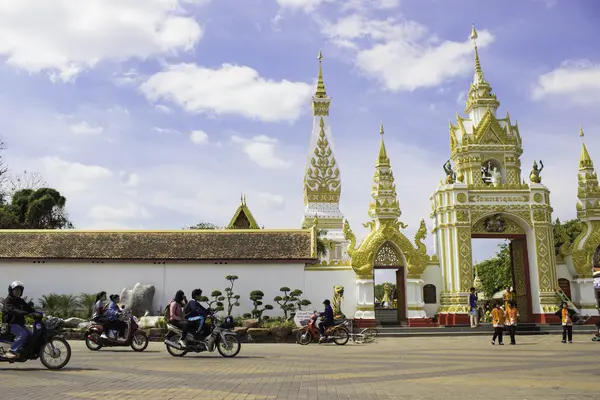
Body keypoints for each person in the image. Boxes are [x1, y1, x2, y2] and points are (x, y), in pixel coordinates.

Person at [2, 281, 36, 359]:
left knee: (30, 335)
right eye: (16, 290)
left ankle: (21, 350)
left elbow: (28, 308)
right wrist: (24, 313)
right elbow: (12, 310)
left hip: (19, 323)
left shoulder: (20, 300)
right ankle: (11, 350)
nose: (18, 292)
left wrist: (36, 312)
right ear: (11, 291)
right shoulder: (8, 300)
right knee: (23, 334)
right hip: (11, 324)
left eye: (19, 290)